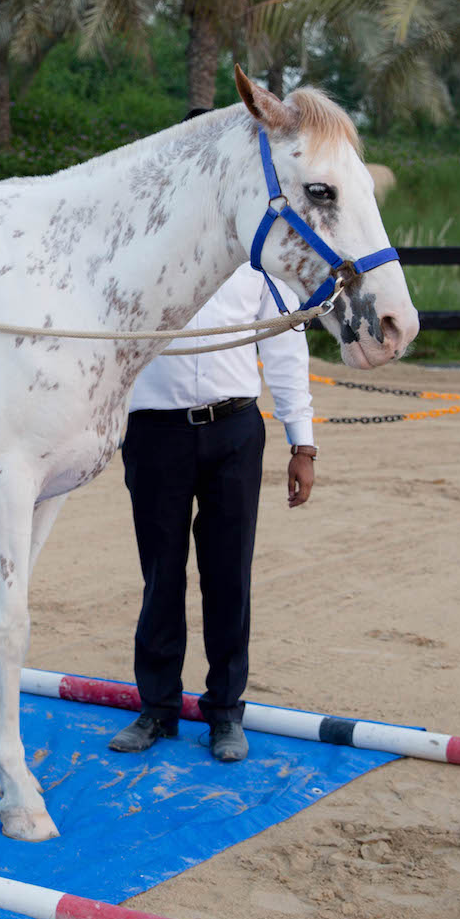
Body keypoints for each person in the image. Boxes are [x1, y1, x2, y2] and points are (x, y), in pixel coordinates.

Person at [110, 142, 317, 762]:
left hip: (233, 431)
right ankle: (157, 709)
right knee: (160, 574)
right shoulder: (140, 250)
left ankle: (225, 711)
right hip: (155, 432)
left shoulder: (259, 260)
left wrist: (301, 441)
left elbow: (284, 348)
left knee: (229, 576)